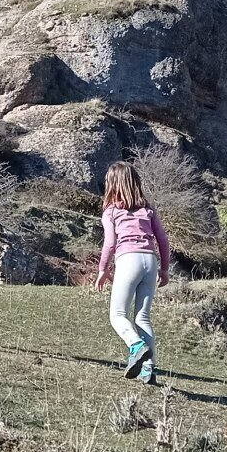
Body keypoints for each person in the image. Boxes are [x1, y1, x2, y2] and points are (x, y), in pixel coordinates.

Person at [93, 159, 171, 385]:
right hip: (150, 260)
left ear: (112, 184)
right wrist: (164, 269)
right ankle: (148, 371)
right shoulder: (148, 208)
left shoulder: (111, 212)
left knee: (117, 315)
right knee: (142, 317)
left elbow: (109, 244)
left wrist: (102, 270)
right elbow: (163, 239)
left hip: (128, 260)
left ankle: (136, 346)